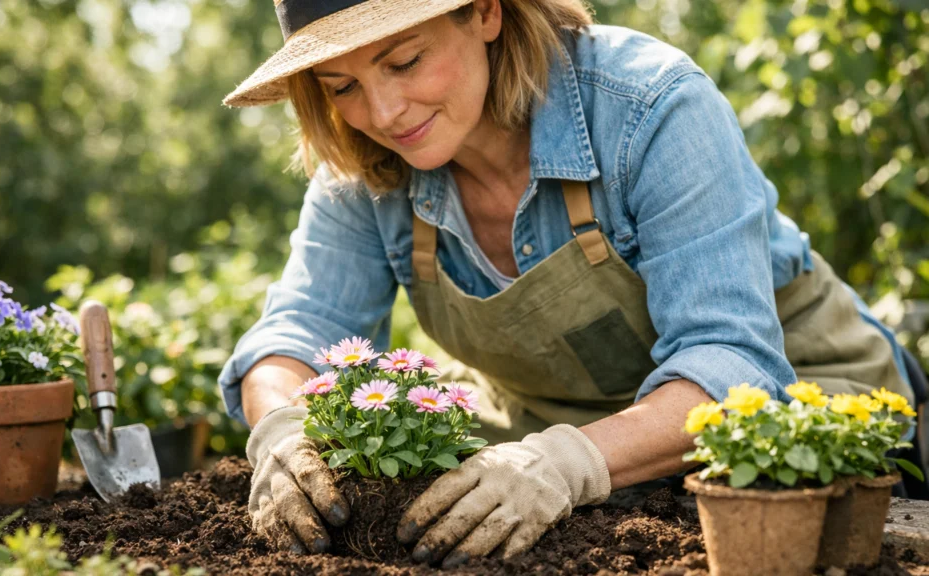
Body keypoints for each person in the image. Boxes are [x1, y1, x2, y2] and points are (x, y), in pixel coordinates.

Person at [218, 0, 925, 567]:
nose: (383, 112)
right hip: (545, 441)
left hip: (791, 412)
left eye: (404, 61)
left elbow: (732, 366)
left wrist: (566, 462)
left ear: (487, 13)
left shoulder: (650, 106)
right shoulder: (367, 165)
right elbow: (298, 332)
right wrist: (281, 426)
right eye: (341, 87)